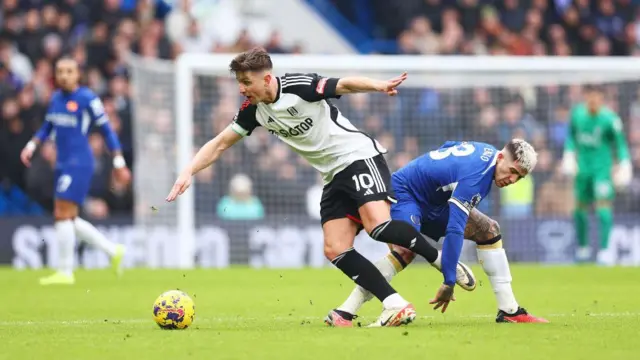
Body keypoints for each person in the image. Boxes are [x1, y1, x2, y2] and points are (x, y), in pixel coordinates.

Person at [166, 47, 476, 327]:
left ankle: (442, 261)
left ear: (266, 78)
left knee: (378, 227)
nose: (241, 88)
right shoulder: (253, 110)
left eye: (246, 81)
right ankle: (394, 304)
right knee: (335, 248)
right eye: (239, 82)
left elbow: (343, 84)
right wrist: (189, 170)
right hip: (332, 175)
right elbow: (220, 143)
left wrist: (378, 85)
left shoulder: (298, 86)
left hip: (359, 156)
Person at [326, 139, 549, 326]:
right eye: (512, 171)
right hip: (406, 193)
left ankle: (510, 311)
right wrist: (449, 279)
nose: (512, 180)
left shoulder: (487, 151)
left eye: (519, 177)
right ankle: (345, 311)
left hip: (434, 201)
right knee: (406, 250)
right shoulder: (478, 176)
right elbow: (455, 228)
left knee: (489, 230)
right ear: (501, 157)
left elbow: (448, 145)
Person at [20, 57, 130, 285]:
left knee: (62, 212)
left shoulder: (87, 98)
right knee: (68, 216)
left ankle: (65, 271)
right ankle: (112, 250)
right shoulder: (56, 98)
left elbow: (107, 130)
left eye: (69, 71)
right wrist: (32, 145)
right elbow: (47, 126)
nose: (64, 75)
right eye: (60, 71)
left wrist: (118, 161)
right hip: (61, 162)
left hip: (79, 162)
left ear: (77, 74)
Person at [561, 85, 632, 265]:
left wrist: (624, 163)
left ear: (602, 99)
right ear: (585, 97)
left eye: (597, 97)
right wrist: (568, 155)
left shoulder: (610, 119)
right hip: (583, 170)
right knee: (579, 210)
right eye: (590, 96)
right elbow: (571, 137)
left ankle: (605, 250)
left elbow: (620, 143)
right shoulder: (577, 115)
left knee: (603, 209)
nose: (593, 100)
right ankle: (583, 249)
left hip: (602, 170)